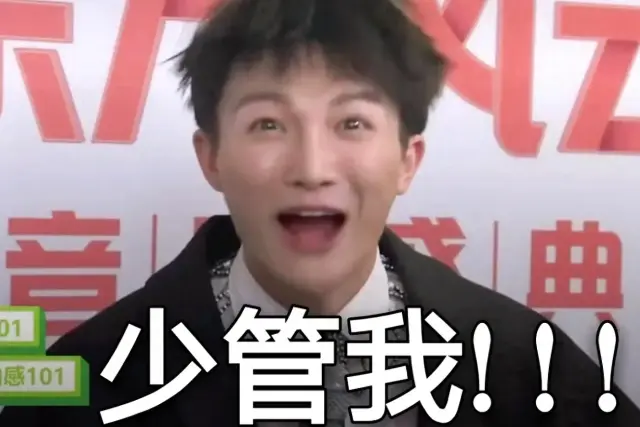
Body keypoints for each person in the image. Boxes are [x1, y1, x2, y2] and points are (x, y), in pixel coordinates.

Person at [2, 0, 639, 426]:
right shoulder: (89, 380)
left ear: (408, 160)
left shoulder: (534, 371)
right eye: (268, 123)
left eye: (352, 122)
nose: (312, 167)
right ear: (212, 158)